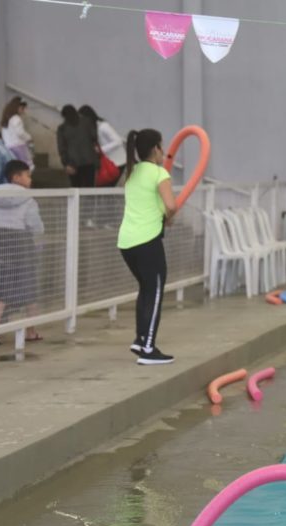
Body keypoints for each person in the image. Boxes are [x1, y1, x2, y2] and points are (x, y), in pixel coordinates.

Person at [118, 129, 177, 365]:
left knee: (146, 288)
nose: (163, 152)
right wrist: (169, 217)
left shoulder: (132, 172)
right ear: (155, 149)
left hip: (127, 243)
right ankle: (148, 349)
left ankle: (141, 338)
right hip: (147, 241)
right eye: (161, 147)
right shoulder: (159, 173)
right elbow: (171, 205)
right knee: (155, 290)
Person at [0, 160, 44, 345]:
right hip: (21, 243)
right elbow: (35, 225)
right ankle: (31, 330)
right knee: (29, 284)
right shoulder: (29, 199)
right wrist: (38, 244)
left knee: (2, 283)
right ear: (16, 177)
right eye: (27, 175)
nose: (30, 179)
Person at [79, 104, 126, 183]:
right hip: (106, 163)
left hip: (118, 162)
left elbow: (118, 141)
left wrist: (101, 149)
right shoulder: (91, 128)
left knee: (106, 187)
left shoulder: (103, 126)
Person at [56, 104, 99, 188]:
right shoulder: (87, 122)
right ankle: (88, 201)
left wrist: (65, 164)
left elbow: (61, 148)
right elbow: (94, 136)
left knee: (76, 188)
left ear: (64, 116)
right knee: (89, 187)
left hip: (73, 163)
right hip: (89, 161)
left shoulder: (62, 128)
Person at [0, 96, 33, 168]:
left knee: (14, 168)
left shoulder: (6, 119)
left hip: (8, 147)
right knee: (26, 167)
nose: (23, 111)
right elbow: (20, 132)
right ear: (17, 107)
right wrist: (29, 138)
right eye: (22, 108)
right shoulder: (16, 118)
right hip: (19, 147)